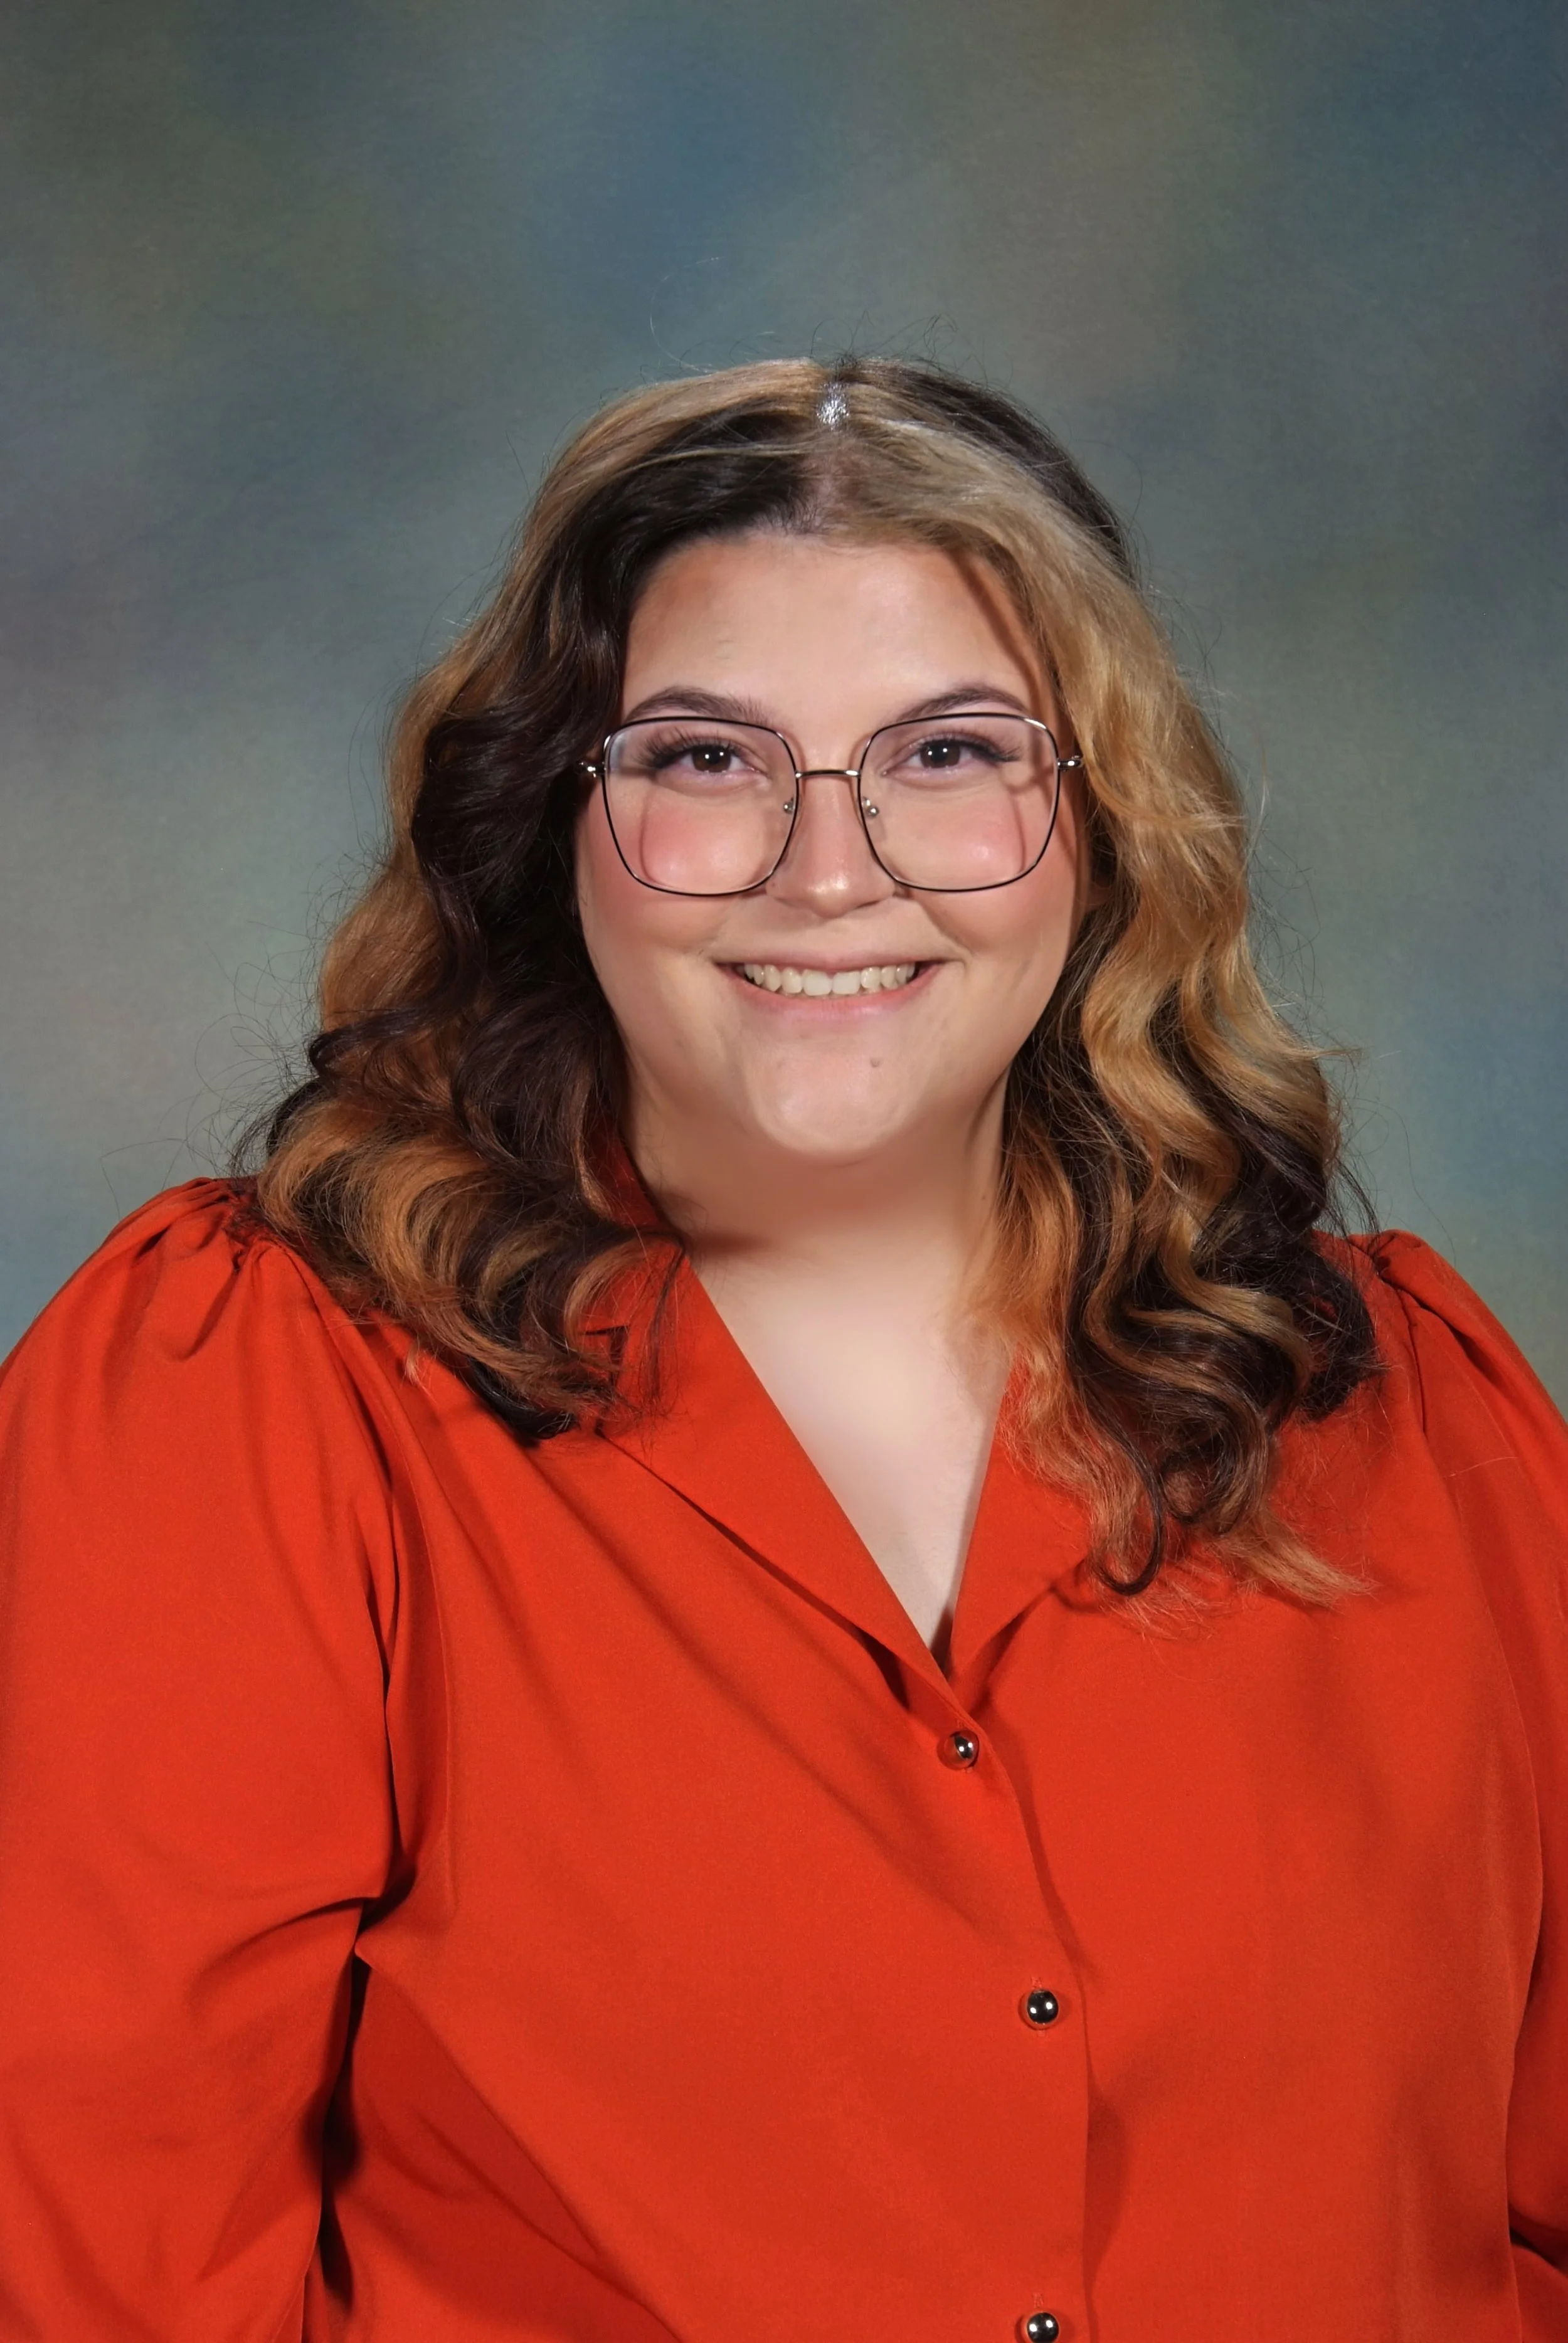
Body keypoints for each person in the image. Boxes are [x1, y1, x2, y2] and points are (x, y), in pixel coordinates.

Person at [0, 356, 1563, 2342]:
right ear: (553, 820)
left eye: (948, 753)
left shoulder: (1403, 1406)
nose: (830, 873)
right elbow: (92, 2271)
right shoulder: (251, 1395)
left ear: (1098, 826)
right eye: (708, 758)